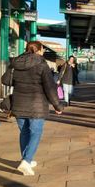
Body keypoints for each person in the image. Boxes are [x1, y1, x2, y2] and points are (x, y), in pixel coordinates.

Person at [10, 41, 63, 175]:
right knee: (35, 133)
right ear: (38, 50)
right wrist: (57, 105)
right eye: (43, 49)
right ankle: (27, 161)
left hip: (19, 103)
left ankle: (26, 159)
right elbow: (50, 88)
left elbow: (7, 80)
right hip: (36, 105)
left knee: (24, 132)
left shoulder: (16, 62)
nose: (44, 52)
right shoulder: (41, 64)